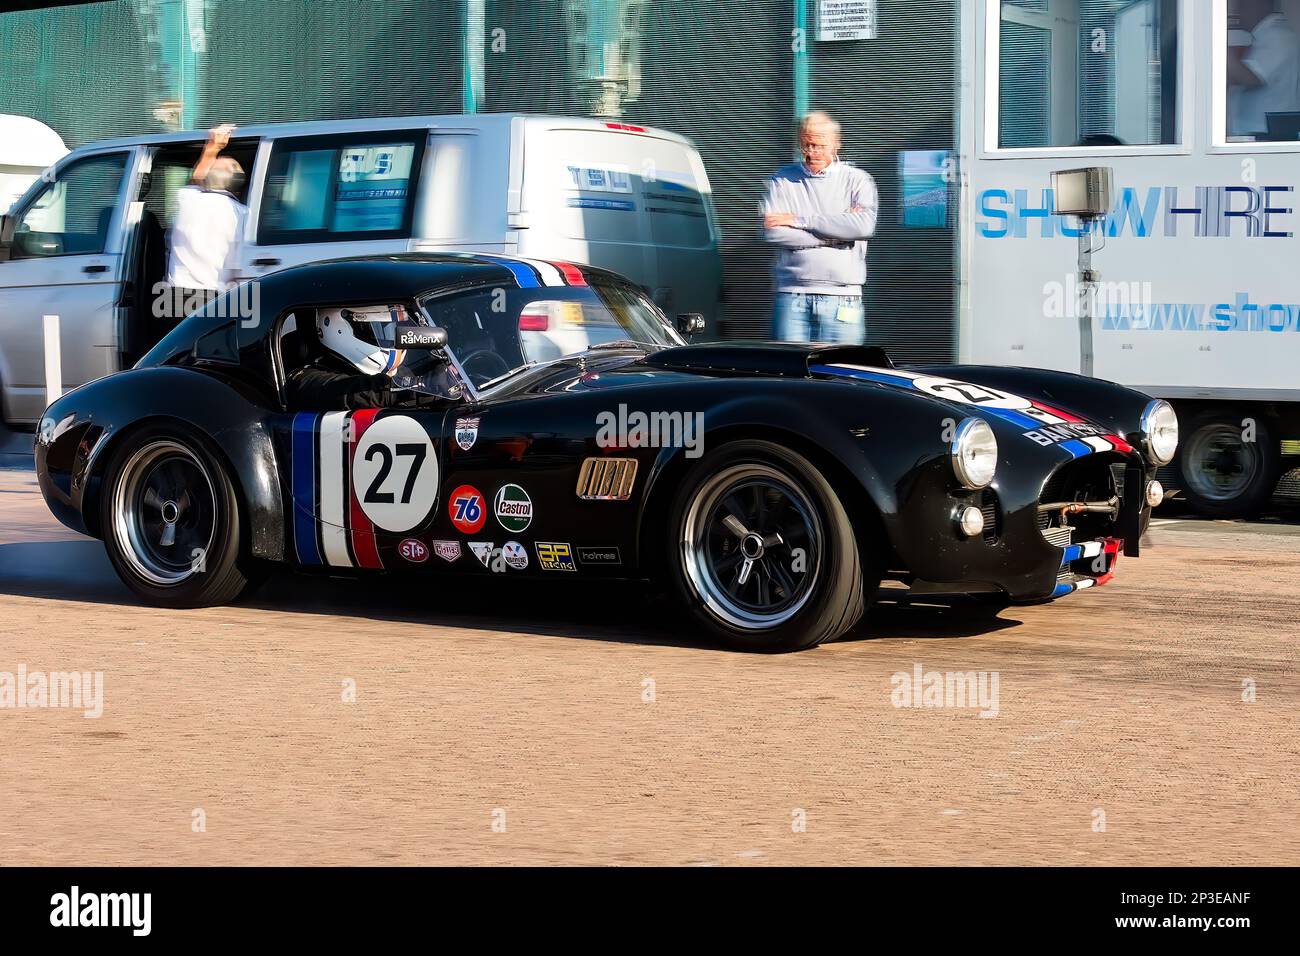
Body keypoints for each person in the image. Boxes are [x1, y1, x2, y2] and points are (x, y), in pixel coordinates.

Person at [761, 111, 878, 344]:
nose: (812, 152)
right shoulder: (782, 179)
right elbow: (773, 231)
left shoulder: (857, 180)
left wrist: (798, 220)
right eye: (806, 145)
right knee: (789, 373)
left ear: (837, 143)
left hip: (844, 297)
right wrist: (835, 236)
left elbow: (863, 226)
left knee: (844, 372)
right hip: (792, 295)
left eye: (819, 145)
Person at [286, 307, 460, 411]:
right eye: (381, 329)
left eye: (397, 328)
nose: (395, 337)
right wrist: (417, 387)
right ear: (337, 327)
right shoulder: (305, 378)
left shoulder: (404, 373)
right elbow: (352, 393)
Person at [162, 124, 246, 322]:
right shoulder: (243, 214)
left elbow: (197, 178)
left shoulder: (187, 200)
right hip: (221, 296)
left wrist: (213, 147)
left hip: (178, 296)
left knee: (178, 351)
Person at [1227, 0, 1300, 138]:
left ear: (1260, 4)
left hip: (1267, 133)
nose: (1238, 11)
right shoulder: (1266, 36)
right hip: (1264, 129)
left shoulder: (1277, 36)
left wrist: (1214, 44)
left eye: (1242, 5)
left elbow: (1251, 78)